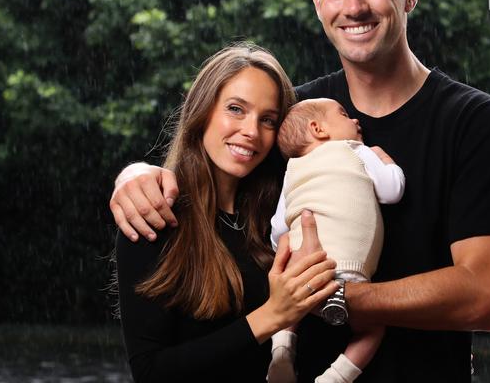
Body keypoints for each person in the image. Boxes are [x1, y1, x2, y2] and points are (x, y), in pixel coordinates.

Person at [110, 0, 490, 382]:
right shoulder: (298, 118)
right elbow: (218, 190)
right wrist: (137, 175)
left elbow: (483, 297)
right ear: (317, 2)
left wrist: (331, 298)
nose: (353, 6)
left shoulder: (476, 124)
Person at [114, 43, 340, 382]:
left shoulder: (280, 211)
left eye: (267, 119)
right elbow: (151, 372)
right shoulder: (155, 214)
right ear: (203, 111)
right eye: (236, 109)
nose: (251, 131)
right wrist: (271, 316)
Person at [266, 98, 405, 383]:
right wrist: (384, 159)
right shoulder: (355, 150)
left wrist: (291, 255)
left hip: (301, 265)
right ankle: (335, 378)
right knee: (373, 328)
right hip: (346, 271)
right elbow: (392, 191)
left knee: (290, 309)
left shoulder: (293, 169)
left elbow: (278, 227)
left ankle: (281, 350)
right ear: (318, 129)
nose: (356, 121)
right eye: (344, 115)